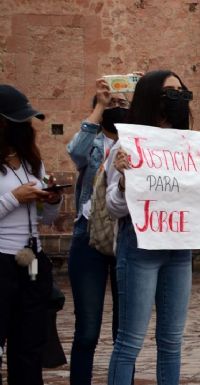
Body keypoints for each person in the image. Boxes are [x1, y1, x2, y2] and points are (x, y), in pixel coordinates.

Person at [105, 70, 195, 385]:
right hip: (140, 247)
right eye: (170, 91)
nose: (178, 97)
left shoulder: (192, 146)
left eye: (181, 91)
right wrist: (125, 181)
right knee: (130, 340)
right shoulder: (126, 146)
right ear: (151, 97)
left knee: (172, 340)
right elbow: (114, 208)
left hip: (179, 248)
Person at [66, 77, 129, 385]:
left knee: (124, 330)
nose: (117, 108)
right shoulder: (93, 142)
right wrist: (100, 106)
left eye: (123, 104)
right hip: (87, 237)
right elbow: (75, 152)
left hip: (125, 239)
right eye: (112, 104)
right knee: (87, 330)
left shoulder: (135, 144)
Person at [0, 84, 63, 385]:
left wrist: (52, 200)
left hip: (32, 261)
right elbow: (15, 202)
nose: (25, 127)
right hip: (1, 260)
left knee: (30, 346)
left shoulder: (31, 162)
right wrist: (15, 197)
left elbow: (44, 218)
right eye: (18, 122)